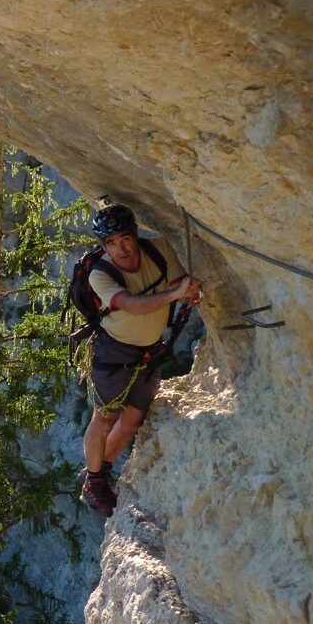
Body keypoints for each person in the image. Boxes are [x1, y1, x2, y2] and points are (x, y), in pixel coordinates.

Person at [79, 202, 202, 517]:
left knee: (132, 420)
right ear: (103, 247)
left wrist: (186, 289)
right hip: (114, 351)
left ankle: (100, 469)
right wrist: (175, 295)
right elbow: (131, 304)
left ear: (134, 235)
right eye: (110, 244)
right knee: (105, 417)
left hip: (149, 351)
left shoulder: (158, 251)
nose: (120, 249)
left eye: (124, 239)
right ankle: (94, 482)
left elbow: (175, 283)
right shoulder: (100, 273)